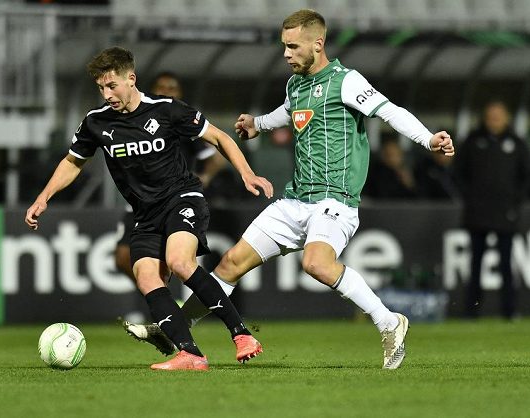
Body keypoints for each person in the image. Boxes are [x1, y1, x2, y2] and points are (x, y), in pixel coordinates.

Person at [124, 9, 455, 370]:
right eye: (284, 46)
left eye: (293, 46)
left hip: (335, 199)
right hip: (296, 199)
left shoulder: (346, 81)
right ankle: (176, 329)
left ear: (318, 43)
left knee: (316, 263)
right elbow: (290, 111)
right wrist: (258, 125)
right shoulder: (296, 84)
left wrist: (428, 139)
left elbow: (389, 111)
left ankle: (389, 322)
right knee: (231, 263)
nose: (286, 54)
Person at [25, 46, 274, 370]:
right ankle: (190, 354)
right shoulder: (96, 121)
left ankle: (241, 334)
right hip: (145, 213)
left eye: (112, 85)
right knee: (145, 276)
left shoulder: (166, 109)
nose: (107, 93)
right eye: (101, 87)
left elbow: (219, 138)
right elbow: (73, 162)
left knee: (179, 261)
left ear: (131, 78)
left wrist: (247, 173)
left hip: (182, 197)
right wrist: (43, 197)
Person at [114, 71, 226, 280]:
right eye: (161, 87)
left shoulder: (183, 122)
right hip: (140, 202)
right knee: (122, 257)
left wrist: (204, 177)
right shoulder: (136, 120)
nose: (166, 92)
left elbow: (216, 157)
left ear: (179, 93)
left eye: (171, 88)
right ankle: (165, 301)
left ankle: (175, 305)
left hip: (174, 200)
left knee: (176, 261)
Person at [454, 100, 530, 319]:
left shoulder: (516, 143)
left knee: (506, 263)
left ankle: (509, 311)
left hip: (505, 213)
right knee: (475, 263)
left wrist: (514, 201)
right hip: (477, 212)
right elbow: (458, 172)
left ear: (506, 118)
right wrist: (470, 197)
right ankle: (471, 311)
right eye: (490, 116)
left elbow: (527, 176)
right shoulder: (472, 141)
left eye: (498, 116)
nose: (494, 121)